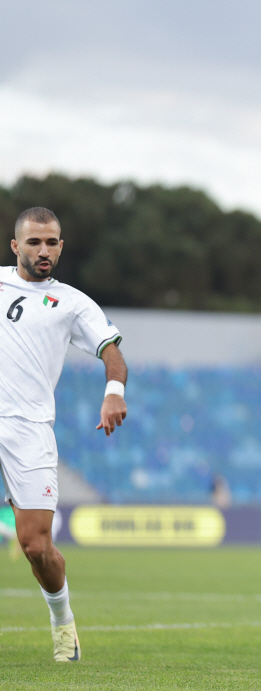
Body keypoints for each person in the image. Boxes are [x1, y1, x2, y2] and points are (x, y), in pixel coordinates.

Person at [1, 207, 127, 663]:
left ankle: (62, 622)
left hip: (29, 429)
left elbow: (113, 355)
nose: (43, 250)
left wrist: (114, 392)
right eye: (34, 242)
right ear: (16, 246)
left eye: (51, 242)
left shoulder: (73, 302)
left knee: (35, 545)